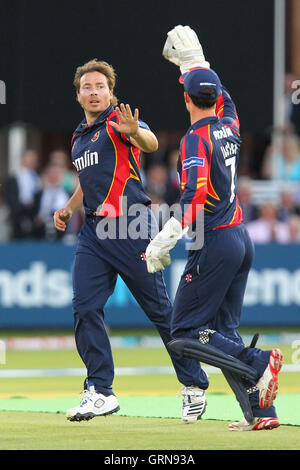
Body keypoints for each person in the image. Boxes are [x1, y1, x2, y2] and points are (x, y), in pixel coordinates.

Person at [146, 25, 283, 431]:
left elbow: (195, 198)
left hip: (217, 240)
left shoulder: (194, 139)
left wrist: (162, 241)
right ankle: (262, 413)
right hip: (241, 239)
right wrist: (198, 64)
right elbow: (225, 97)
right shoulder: (231, 125)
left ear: (186, 98)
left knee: (184, 330)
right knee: (223, 331)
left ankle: (260, 362)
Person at [53, 58, 205, 422]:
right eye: (87, 87)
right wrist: (69, 208)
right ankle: (100, 391)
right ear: (78, 95)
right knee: (85, 307)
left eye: (100, 87)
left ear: (110, 92)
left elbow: (149, 143)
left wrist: (136, 131)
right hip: (93, 230)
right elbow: (85, 179)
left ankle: (193, 385)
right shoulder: (78, 136)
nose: (94, 92)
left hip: (129, 225)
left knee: (161, 312)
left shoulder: (119, 122)